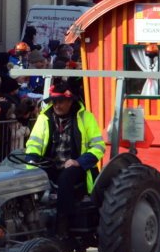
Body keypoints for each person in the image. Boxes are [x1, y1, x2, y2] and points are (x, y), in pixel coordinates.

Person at [24, 82, 105, 240]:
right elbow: (34, 143)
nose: (57, 105)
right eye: (54, 101)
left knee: (66, 177)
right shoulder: (44, 118)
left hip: (77, 167)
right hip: (50, 164)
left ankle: (62, 226)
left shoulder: (85, 117)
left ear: (70, 101)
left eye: (60, 101)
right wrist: (32, 161)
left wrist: (79, 162)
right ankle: (31, 220)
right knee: (29, 176)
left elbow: (98, 147)